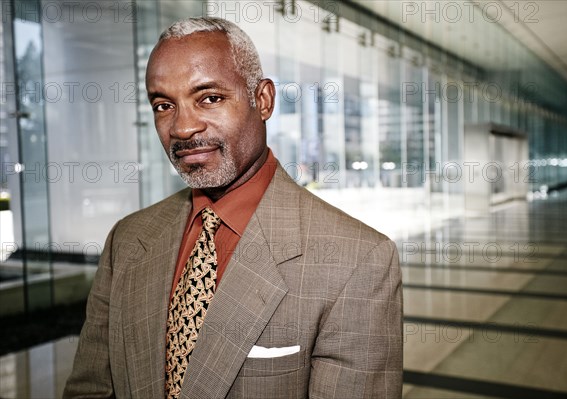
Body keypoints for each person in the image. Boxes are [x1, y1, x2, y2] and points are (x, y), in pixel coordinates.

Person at [63, 17, 402, 399]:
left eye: (209, 98)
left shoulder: (357, 259)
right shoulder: (128, 238)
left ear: (263, 100)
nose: (182, 128)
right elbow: (90, 389)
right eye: (163, 105)